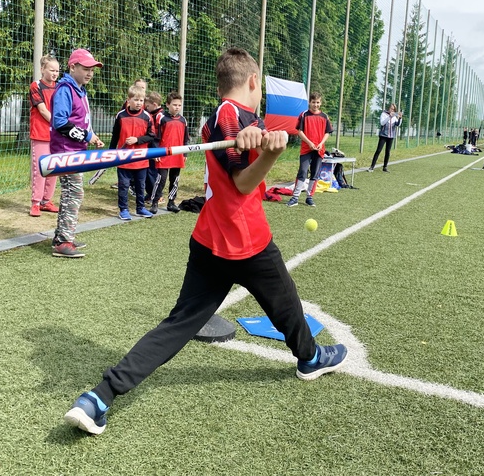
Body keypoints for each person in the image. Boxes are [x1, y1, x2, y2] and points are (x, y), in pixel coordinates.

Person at [64, 48, 348, 435]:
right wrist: (270, 155)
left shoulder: (241, 118)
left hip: (210, 240)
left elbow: (246, 144)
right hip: (244, 240)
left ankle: (98, 397)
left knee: (182, 324)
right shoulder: (227, 115)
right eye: (260, 84)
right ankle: (311, 357)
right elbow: (243, 182)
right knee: (285, 304)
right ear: (252, 81)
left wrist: (261, 140)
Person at [50, 49, 105, 258]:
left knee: (71, 193)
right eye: (85, 69)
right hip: (66, 152)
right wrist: (85, 136)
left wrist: (91, 135)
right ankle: (64, 241)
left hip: (76, 150)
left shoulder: (80, 90)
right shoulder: (65, 89)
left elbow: (80, 120)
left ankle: (62, 237)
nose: (89, 73)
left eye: (92, 69)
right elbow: (61, 122)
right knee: (74, 193)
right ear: (72, 67)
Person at [109, 85, 157, 221]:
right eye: (136, 100)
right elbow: (115, 136)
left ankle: (140, 208)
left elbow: (151, 136)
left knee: (140, 185)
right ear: (128, 100)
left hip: (141, 159)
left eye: (141, 100)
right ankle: (123, 209)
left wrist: (137, 140)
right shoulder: (121, 115)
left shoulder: (147, 116)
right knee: (124, 185)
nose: (139, 103)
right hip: (123, 158)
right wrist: (112, 153)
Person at [286, 91, 333, 208]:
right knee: (302, 171)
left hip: (319, 150)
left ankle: (309, 197)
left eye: (317, 102)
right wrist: (310, 143)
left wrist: (321, 143)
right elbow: (299, 131)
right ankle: (295, 197)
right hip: (306, 149)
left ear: (320, 103)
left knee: (315, 173)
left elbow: (327, 132)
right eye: (313, 102)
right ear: (309, 103)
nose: (315, 105)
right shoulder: (304, 115)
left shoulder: (324, 117)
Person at [28, 55, 60, 217]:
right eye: (51, 70)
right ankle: (35, 202)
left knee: (53, 168)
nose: (55, 73)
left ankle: (47, 201)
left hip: (56, 135)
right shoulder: (36, 86)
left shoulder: (60, 87)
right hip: (40, 133)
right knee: (40, 169)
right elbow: (42, 110)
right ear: (42, 69)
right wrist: (58, 123)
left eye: (57, 71)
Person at [151, 91, 188, 213]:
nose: (177, 107)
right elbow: (156, 137)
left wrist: (185, 154)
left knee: (175, 179)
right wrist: (156, 152)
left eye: (179, 105)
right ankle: (154, 202)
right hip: (163, 154)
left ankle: (171, 202)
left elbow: (185, 139)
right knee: (161, 179)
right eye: (174, 104)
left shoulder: (183, 120)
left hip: (178, 154)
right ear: (167, 104)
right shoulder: (161, 118)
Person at [369, 104, 402, 172]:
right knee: (378, 150)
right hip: (383, 135)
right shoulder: (383, 114)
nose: (392, 110)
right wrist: (389, 116)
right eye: (391, 108)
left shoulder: (394, 117)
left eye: (393, 109)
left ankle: (385, 167)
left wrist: (400, 118)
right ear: (388, 108)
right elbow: (382, 123)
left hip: (391, 136)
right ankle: (372, 166)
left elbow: (397, 124)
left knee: (388, 152)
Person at [143, 91, 163, 205]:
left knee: (153, 172)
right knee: (148, 172)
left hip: (156, 148)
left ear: (154, 104)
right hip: (150, 147)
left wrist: (156, 151)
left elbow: (157, 135)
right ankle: (151, 193)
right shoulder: (152, 114)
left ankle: (157, 195)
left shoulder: (159, 116)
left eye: (148, 105)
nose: (146, 107)